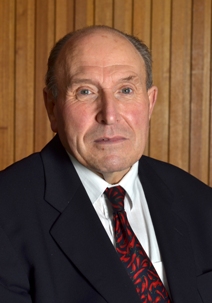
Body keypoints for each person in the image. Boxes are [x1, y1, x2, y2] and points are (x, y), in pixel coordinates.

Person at [0, 25, 211, 303]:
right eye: (86, 91)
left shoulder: (201, 202)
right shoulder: (7, 210)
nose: (109, 115)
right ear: (52, 107)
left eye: (126, 89)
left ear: (150, 103)